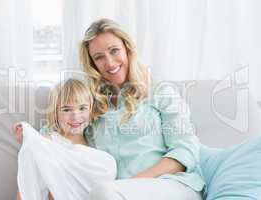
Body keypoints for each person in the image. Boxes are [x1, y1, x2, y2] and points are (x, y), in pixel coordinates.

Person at [79, 18, 205, 200]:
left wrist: (131, 183)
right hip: (118, 193)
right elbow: (61, 135)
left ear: (127, 49)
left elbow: (185, 149)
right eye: (99, 57)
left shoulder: (159, 91)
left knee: (103, 192)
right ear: (92, 64)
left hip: (170, 184)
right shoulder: (90, 104)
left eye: (114, 51)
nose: (110, 62)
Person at [13, 79, 117, 200]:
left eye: (82, 108)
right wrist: (28, 140)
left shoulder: (94, 144)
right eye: (67, 110)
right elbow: (28, 182)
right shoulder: (48, 141)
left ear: (91, 110)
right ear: (55, 113)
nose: (75, 116)